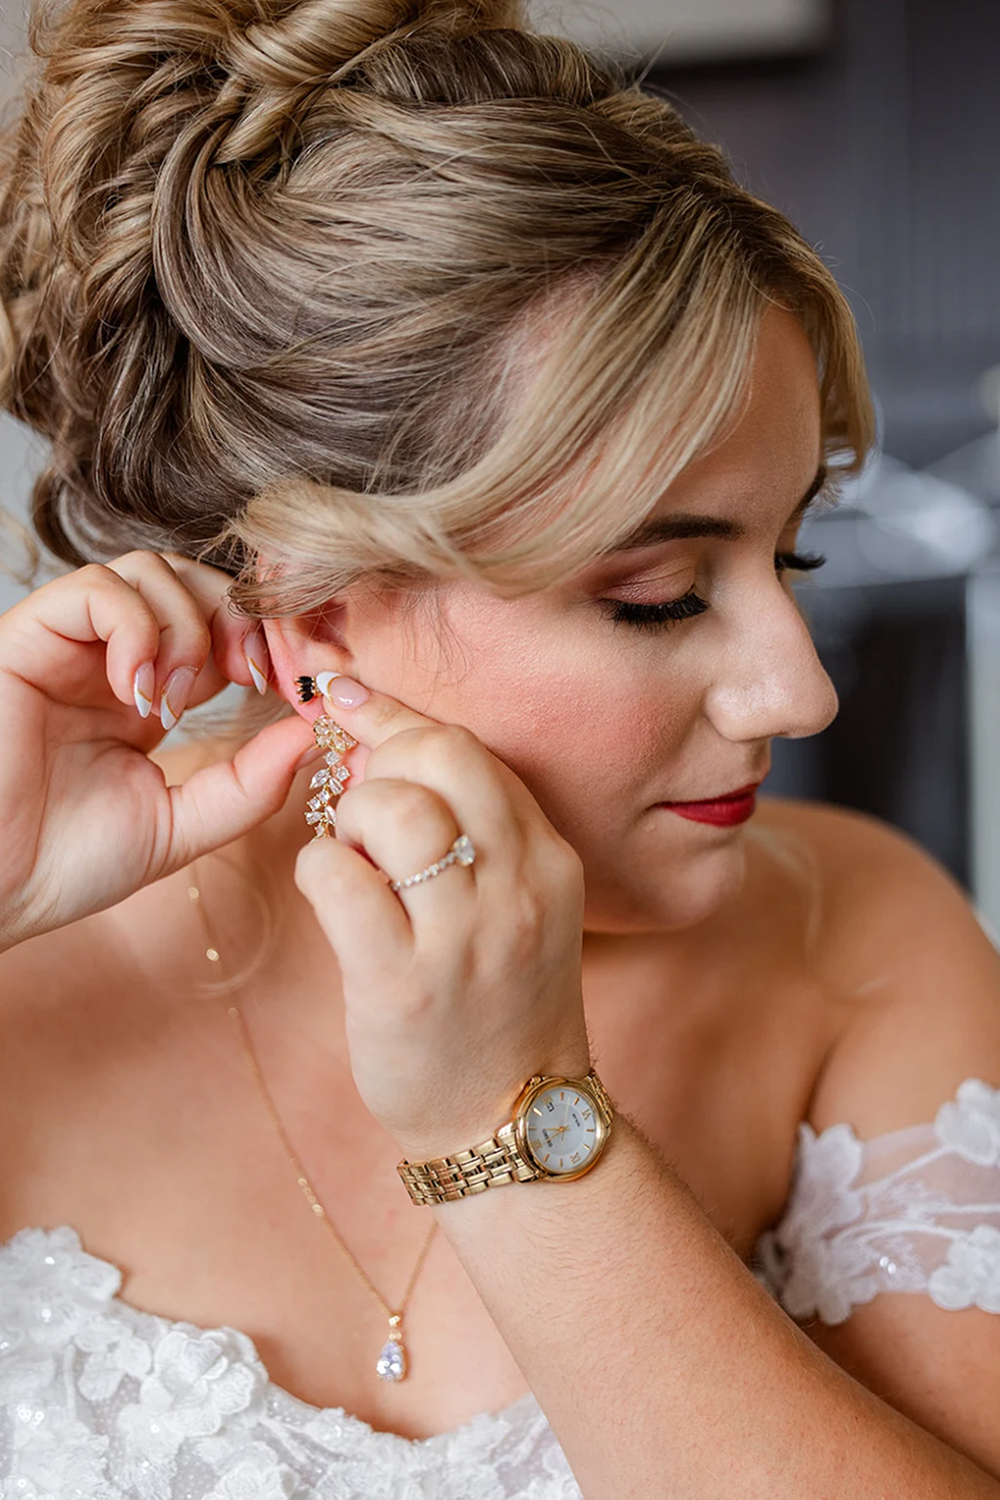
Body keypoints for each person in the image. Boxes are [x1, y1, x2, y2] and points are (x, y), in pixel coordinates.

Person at [0, 0, 998, 1495]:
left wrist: (511, 1124)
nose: (802, 696)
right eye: (661, 598)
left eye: (791, 563)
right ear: (314, 615)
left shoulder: (862, 946)